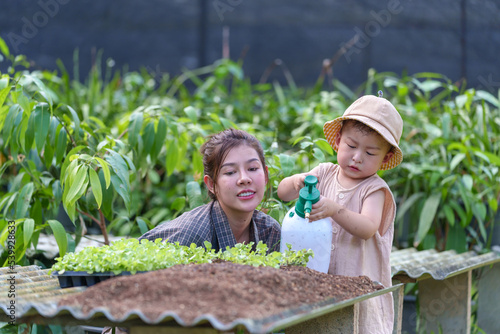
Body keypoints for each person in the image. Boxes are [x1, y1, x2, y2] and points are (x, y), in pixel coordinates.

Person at [277, 93, 403, 333]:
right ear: (337, 140)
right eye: (351, 146)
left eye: (370, 153)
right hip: (319, 286)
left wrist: (336, 210)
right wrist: (294, 182)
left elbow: (367, 228)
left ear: (385, 157)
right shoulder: (323, 174)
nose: (357, 157)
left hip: (359, 291)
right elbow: (282, 194)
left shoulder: (374, 190)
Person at [139, 128, 281, 253]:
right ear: (211, 184)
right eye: (230, 172)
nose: (244, 179)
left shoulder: (270, 232)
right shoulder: (191, 236)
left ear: (266, 175)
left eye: (252, 169)